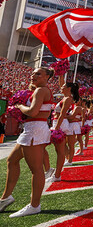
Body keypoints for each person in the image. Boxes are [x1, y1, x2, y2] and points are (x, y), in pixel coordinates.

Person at [0, 67, 54, 217]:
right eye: (33, 73)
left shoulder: (41, 90)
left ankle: (34, 205)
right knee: (12, 160)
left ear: (47, 77)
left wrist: (19, 107)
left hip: (34, 130)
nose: (33, 75)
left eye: (38, 74)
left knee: (36, 170)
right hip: (32, 129)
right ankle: (5, 198)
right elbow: (40, 112)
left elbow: (32, 112)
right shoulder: (40, 90)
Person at [46, 74, 78, 183]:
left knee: (60, 151)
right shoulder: (65, 97)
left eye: (64, 86)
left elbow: (62, 114)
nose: (61, 87)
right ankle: (56, 172)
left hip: (60, 124)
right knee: (60, 150)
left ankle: (56, 175)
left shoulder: (68, 99)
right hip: (58, 122)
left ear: (68, 89)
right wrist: (60, 73)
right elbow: (61, 83)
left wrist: (56, 129)